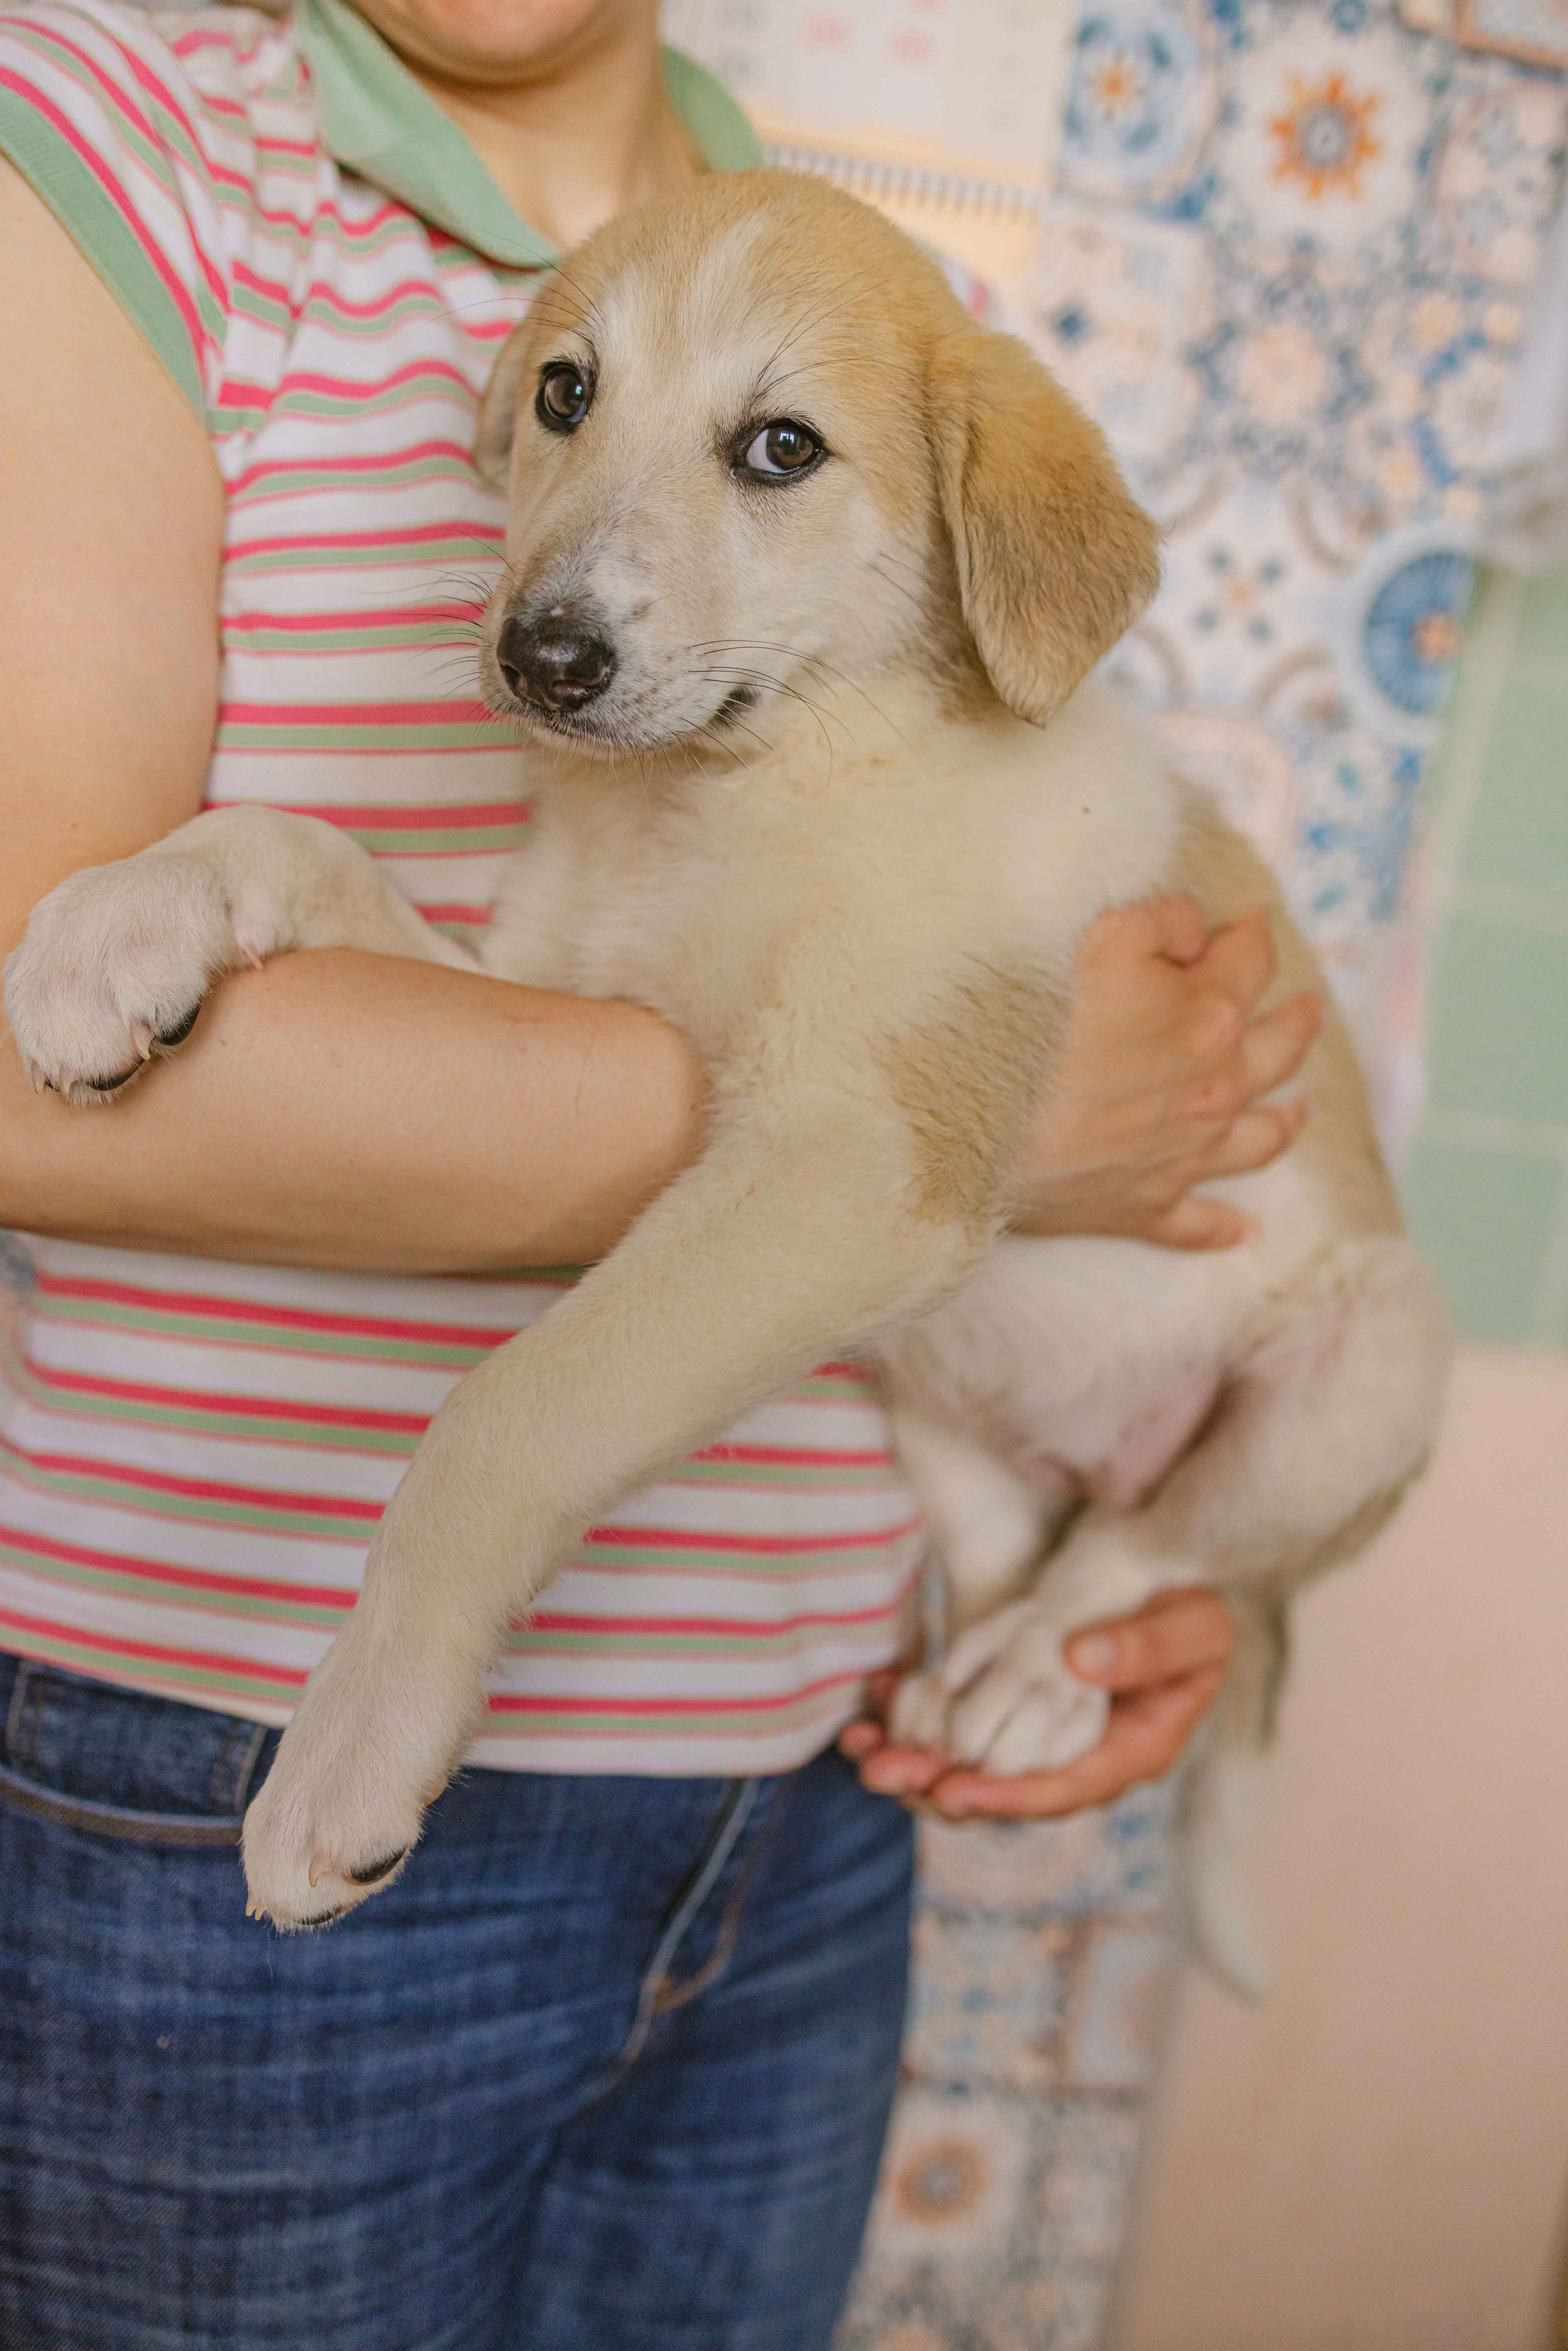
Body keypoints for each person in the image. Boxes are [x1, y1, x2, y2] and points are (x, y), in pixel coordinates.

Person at [0, 0, 1321, 2342]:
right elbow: (30, 1077)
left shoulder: (901, 303)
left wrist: (1170, 1540)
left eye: (772, 449)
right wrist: (988, 1144)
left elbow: (1081, 1096)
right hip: (214, 1773)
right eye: (569, 407)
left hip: (811, 1797)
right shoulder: (117, 131)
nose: (573, 570)